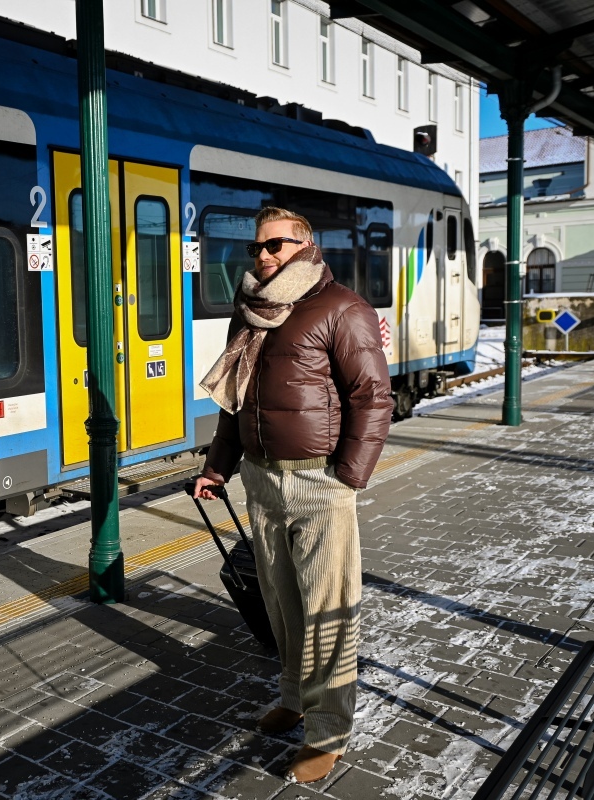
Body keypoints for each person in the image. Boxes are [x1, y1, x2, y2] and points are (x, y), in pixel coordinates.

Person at [193, 206, 391, 783]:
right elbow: (234, 399)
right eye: (256, 247)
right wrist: (218, 466)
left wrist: (346, 476)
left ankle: (328, 731)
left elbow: (373, 397)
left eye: (275, 245)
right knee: (282, 602)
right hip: (261, 479)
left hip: (319, 480)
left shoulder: (342, 308)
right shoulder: (251, 311)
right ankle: (294, 696)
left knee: (327, 608)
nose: (263, 255)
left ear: (305, 245)